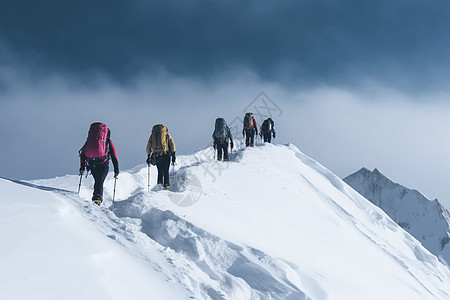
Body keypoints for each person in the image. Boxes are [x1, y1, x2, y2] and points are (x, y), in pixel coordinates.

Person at [79, 122, 119, 205]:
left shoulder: (90, 141)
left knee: (97, 181)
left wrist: (82, 167)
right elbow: (114, 155)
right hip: (103, 164)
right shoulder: (108, 141)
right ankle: (97, 199)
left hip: (92, 164)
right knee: (99, 182)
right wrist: (116, 169)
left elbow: (83, 154)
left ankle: (96, 197)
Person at [146, 124, 176, 190]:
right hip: (166, 154)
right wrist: (173, 154)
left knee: (160, 171)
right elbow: (172, 144)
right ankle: (166, 186)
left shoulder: (152, 135)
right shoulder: (166, 134)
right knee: (166, 171)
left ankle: (159, 186)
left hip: (157, 155)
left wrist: (148, 156)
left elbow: (148, 145)